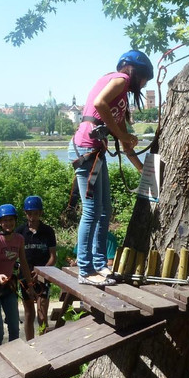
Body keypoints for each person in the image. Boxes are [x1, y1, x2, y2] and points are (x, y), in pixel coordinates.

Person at [68, 50, 152, 283]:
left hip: (96, 153)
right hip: (86, 150)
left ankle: (99, 263)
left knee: (105, 209)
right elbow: (99, 103)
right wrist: (121, 133)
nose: (144, 85)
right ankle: (85, 270)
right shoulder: (121, 79)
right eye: (145, 78)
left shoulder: (122, 100)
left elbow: (126, 145)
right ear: (136, 72)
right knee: (92, 211)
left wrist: (144, 173)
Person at [0, 204, 33, 353]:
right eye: (4, 220)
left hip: (9, 287)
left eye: (11, 220)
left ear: (15, 220)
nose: (8, 223)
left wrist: (29, 285)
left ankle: (14, 357)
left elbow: (23, 263)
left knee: (14, 328)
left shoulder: (19, 239)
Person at [15, 194, 57, 339]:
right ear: (25, 213)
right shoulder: (20, 231)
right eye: (29, 213)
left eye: (36, 213)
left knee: (42, 314)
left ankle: (43, 344)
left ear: (41, 213)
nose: (33, 217)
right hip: (24, 277)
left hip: (43, 277)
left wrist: (41, 273)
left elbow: (53, 257)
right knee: (29, 314)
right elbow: (14, 256)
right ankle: (30, 344)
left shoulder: (48, 231)